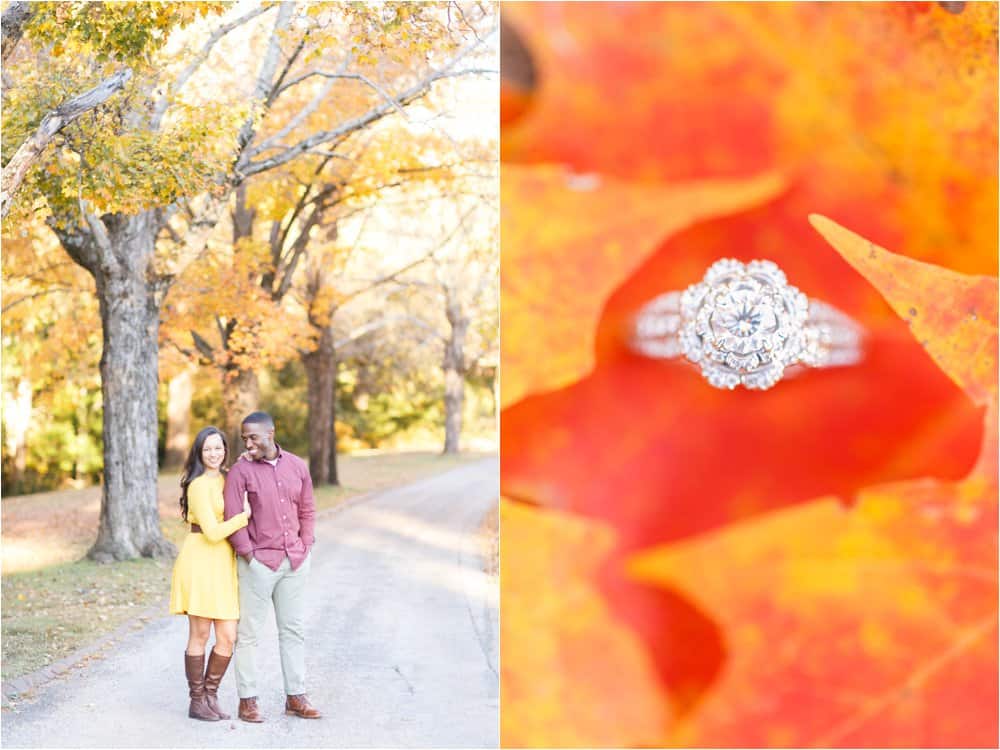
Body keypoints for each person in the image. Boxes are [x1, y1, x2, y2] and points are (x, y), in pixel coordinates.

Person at [223, 410, 321, 722]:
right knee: (249, 633)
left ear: (270, 433)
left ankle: (296, 696)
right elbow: (232, 515)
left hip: (294, 561)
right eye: (244, 439)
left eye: (252, 437)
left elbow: (307, 508)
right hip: (258, 564)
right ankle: (247, 700)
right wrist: (247, 554)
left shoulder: (297, 465)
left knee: (293, 630)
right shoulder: (240, 471)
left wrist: (305, 545)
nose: (248, 443)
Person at [169, 426, 251, 721]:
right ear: (199, 453)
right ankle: (196, 700)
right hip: (201, 559)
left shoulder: (230, 478)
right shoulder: (198, 486)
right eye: (208, 449)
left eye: (219, 448)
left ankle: (211, 695)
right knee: (201, 633)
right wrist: (244, 516)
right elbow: (214, 533)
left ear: (225, 450)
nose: (214, 454)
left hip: (223, 564)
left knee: (227, 636)